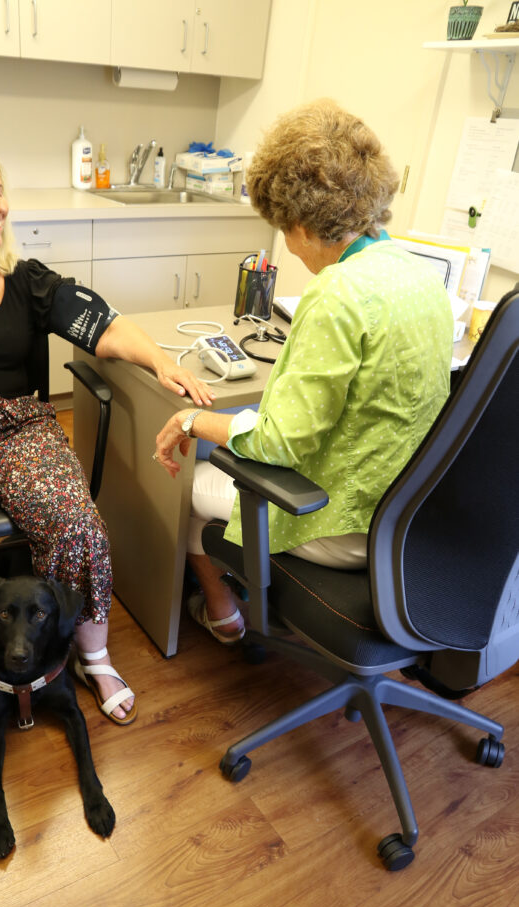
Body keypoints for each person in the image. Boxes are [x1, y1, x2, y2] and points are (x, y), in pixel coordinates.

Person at [0, 135, 215, 759]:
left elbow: (103, 323)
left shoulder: (24, 279)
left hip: (19, 423)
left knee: (77, 524)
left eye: (0, 190)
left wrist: (161, 361)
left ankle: (93, 655)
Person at [154, 99, 454, 643]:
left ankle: (224, 615)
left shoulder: (337, 293)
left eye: (286, 235)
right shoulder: (419, 277)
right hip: (412, 520)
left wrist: (192, 422)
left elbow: (277, 444)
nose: (290, 250)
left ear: (301, 224)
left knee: (193, 491)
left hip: (347, 529)